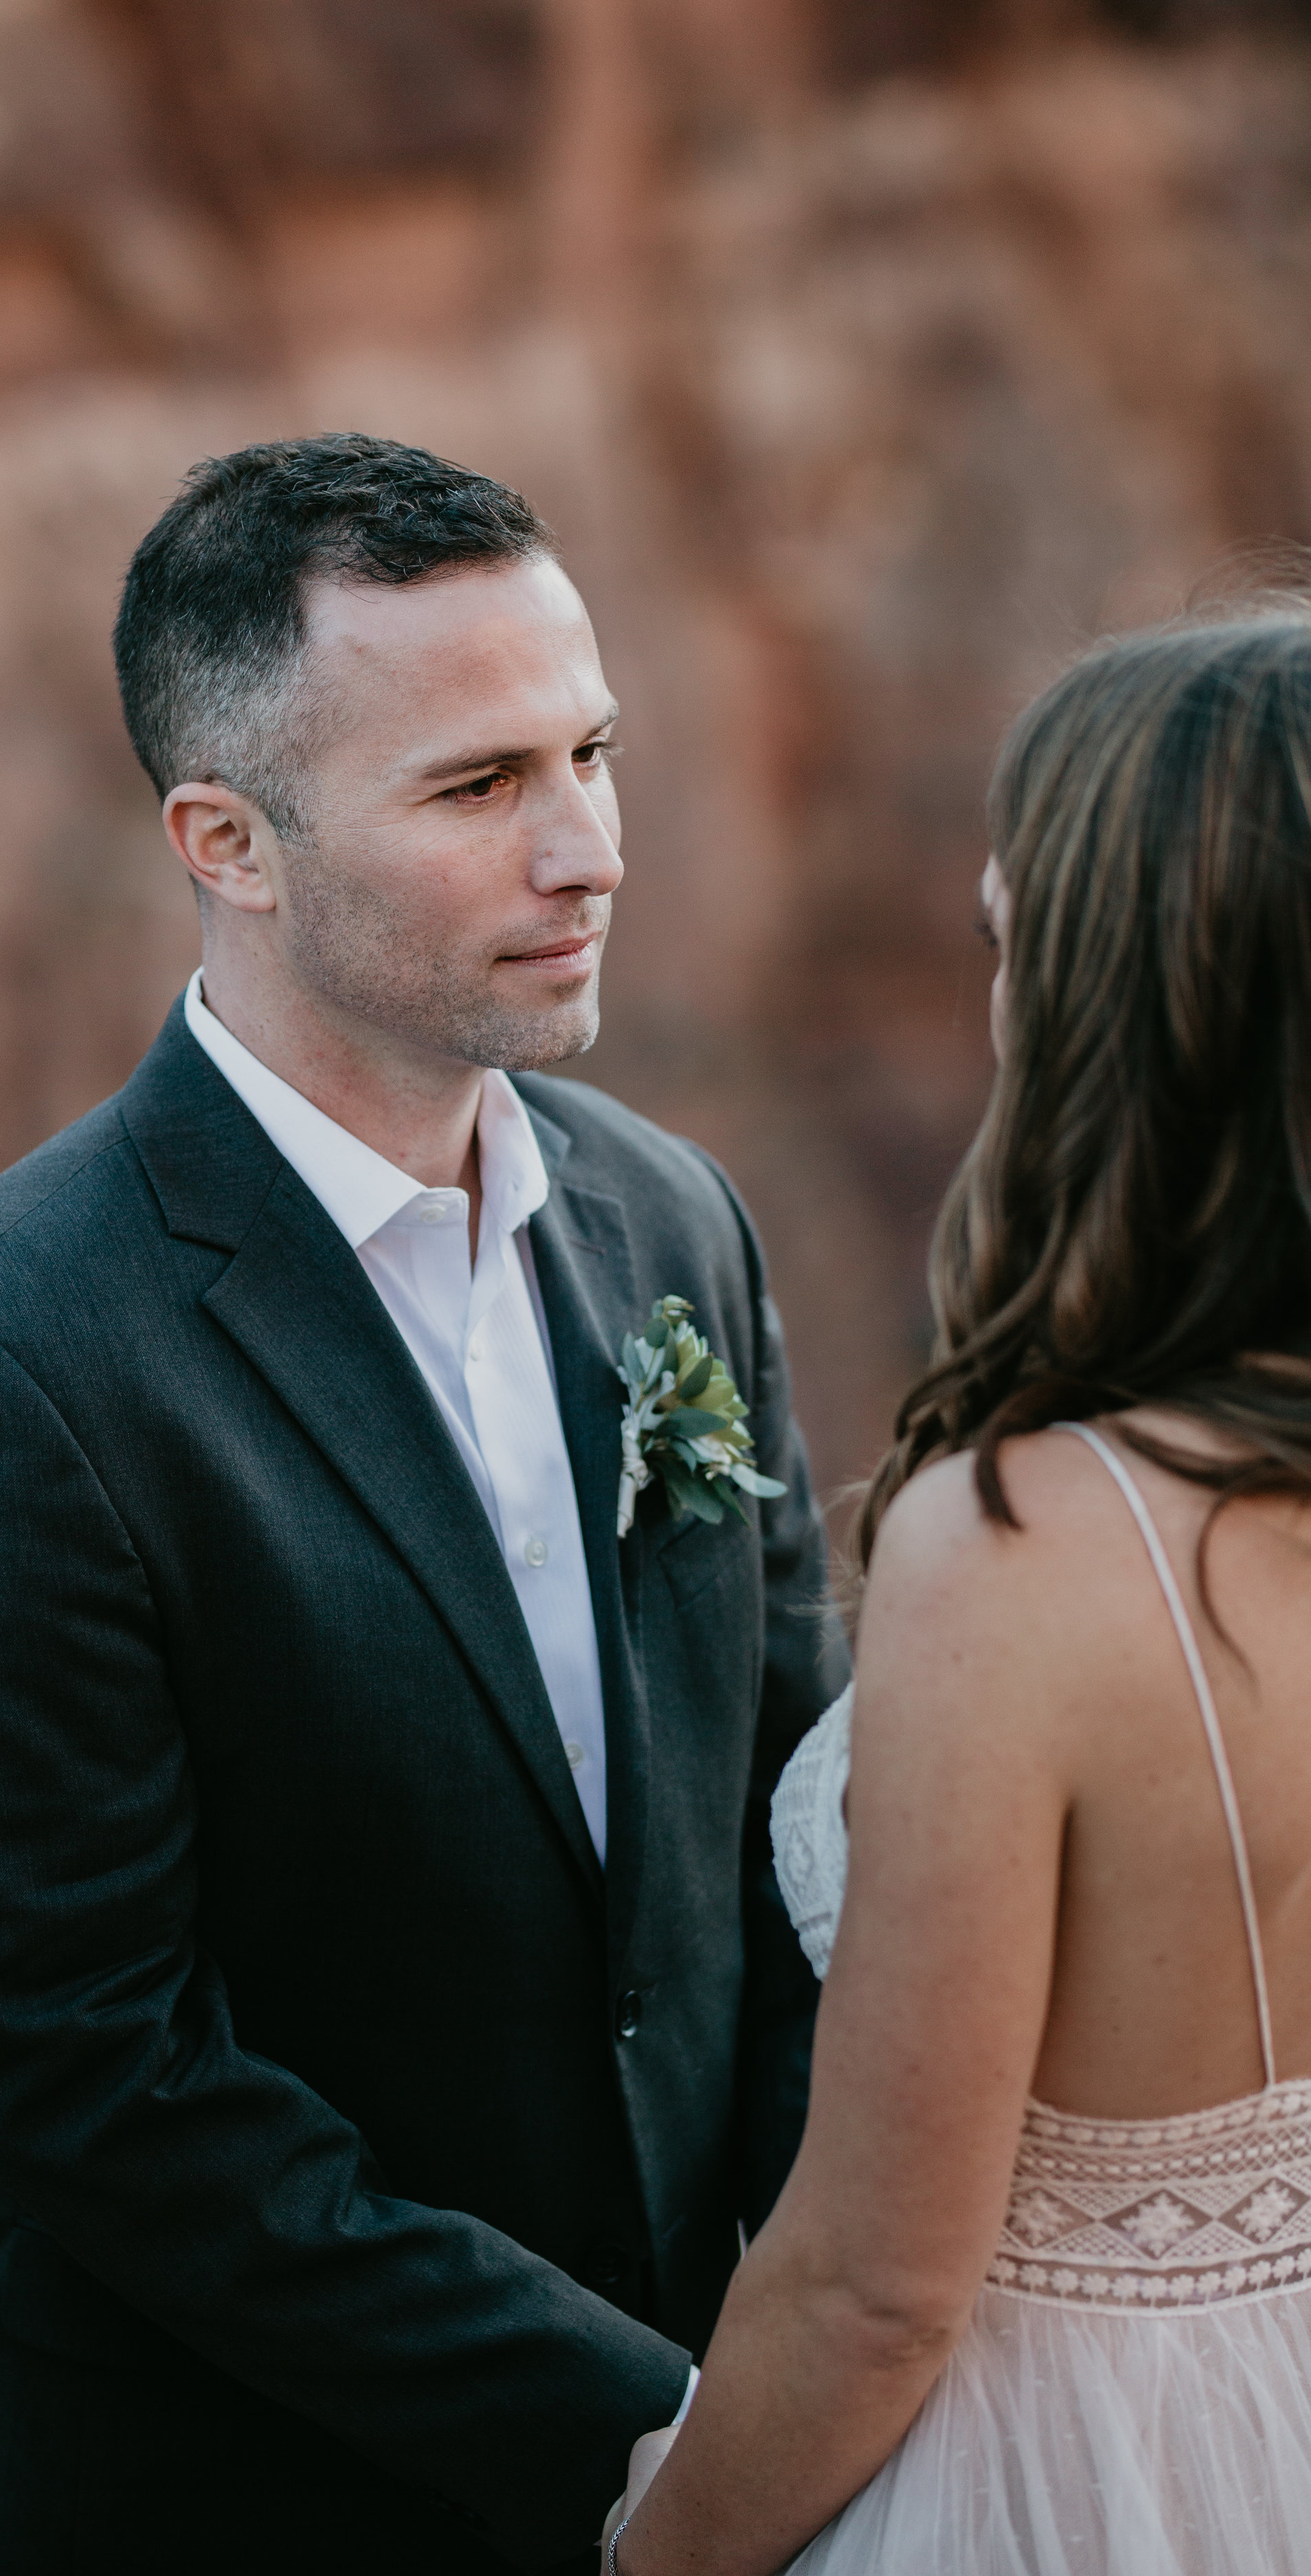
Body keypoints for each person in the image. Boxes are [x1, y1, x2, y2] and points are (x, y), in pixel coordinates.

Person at [0, 433, 844, 2573]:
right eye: (478, 789)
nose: (587, 851)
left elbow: (783, 1836)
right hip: (215, 2509)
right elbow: (95, 2082)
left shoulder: (675, 1225)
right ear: (227, 842)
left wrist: (830, 2334)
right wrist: (644, 2426)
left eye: (593, 753)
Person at [602, 607, 1311, 2574]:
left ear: (1121, 1000)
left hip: (1070, 2484)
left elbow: (871, 2291)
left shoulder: (1024, 1545)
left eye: (1012, 938)